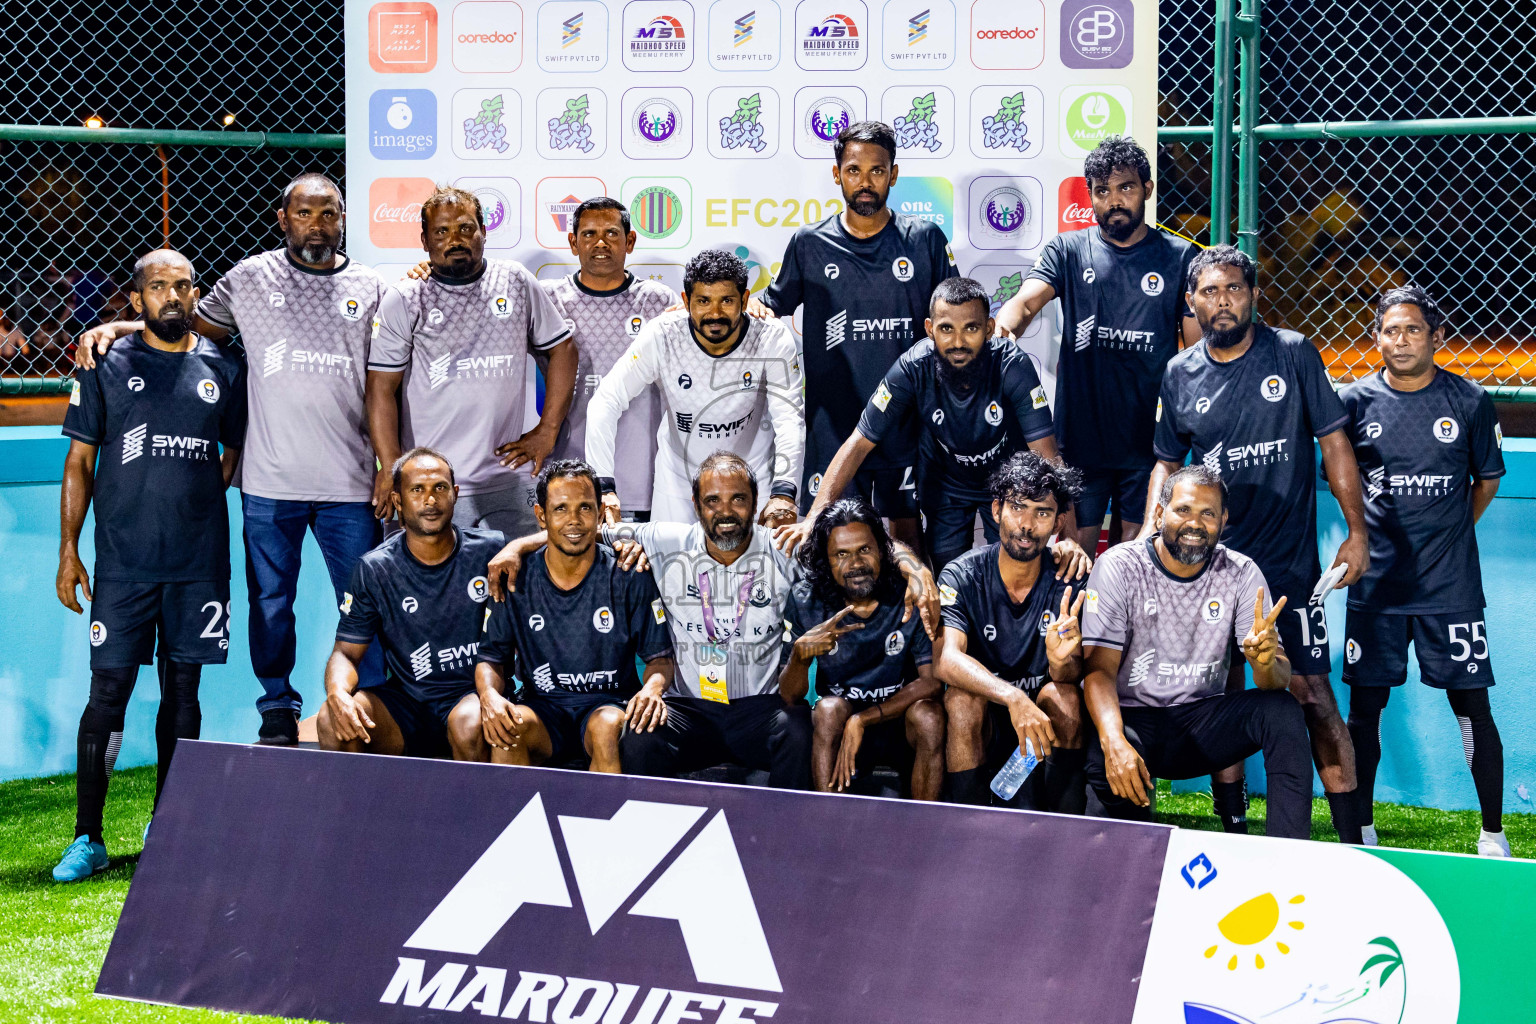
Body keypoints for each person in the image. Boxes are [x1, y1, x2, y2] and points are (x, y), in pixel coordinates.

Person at [77, 174, 387, 746]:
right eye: (304, 213)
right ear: (282, 218)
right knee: (271, 605)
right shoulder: (248, 278)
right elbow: (182, 324)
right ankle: (277, 706)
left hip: (350, 480)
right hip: (269, 484)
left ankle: (371, 709)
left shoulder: (372, 287)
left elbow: (390, 376)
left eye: (328, 214)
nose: (316, 224)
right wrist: (122, 326)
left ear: (343, 219)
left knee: (362, 600)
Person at [486, 452, 940, 789]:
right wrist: (517, 547)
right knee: (638, 734)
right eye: (713, 500)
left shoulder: (783, 547)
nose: (726, 512)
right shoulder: (665, 540)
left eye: (738, 499)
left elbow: (858, 544)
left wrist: (914, 568)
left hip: (760, 706)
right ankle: (655, 844)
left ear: (755, 501)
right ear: (695, 503)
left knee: (798, 729)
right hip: (690, 708)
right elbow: (580, 531)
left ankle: (787, 843)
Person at [1146, 244, 1367, 844]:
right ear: (1191, 301)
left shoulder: (1292, 352)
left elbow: (1334, 443)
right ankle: (1235, 830)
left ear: (1253, 295)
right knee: (1222, 694)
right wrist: (1147, 540)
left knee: (1313, 694)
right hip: (1211, 571)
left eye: (1234, 289)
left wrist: (1357, 530)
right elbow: (1166, 466)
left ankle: (1354, 840)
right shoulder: (1179, 373)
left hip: (1288, 570)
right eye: (1210, 292)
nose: (1223, 301)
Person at [52, 250, 246, 882]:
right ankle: (88, 835)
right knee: (106, 694)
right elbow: (80, 461)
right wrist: (68, 550)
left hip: (197, 566)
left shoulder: (223, 365)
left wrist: (188, 504)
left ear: (195, 294)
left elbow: (234, 452)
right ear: (135, 301)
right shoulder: (106, 363)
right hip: (124, 566)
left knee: (182, 692)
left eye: (183, 285)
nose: (172, 295)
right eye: (157, 287)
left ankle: (169, 822)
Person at [1340, 287, 1509, 856]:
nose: (1402, 340)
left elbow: (1485, 480)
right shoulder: (1355, 401)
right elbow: (1341, 478)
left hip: (1450, 586)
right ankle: (1362, 828)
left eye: (1413, 330)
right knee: (1366, 710)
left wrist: (1452, 529)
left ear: (1436, 337)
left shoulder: (1469, 400)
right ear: (1377, 338)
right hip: (1377, 586)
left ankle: (1492, 834)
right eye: (1391, 330)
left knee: (1472, 708)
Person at [780, 276, 1084, 572]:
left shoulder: (1012, 365)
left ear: (990, 329)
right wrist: (815, 514)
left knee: (1013, 570)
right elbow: (858, 442)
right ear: (929, 329)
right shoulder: (912, 366)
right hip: (946, 486)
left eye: (972, 328)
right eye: (946, 329)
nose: (958, 342)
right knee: (949, 576)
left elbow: (1047, 457)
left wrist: (1070, 537)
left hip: (1005, 487)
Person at [1082, 466, 1315, 840]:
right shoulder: (1120, 567)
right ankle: (1124, 857)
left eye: (1208, 513)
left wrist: (1266, 661)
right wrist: (1114, 743)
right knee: (1101, 756)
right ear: (1159, 514)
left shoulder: (1241, 572)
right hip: (1134, 722)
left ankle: (1288, 857)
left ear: (1223, 521)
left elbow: (1277, 681)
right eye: (1184, 510)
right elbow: (1098, 672)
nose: (1195, 523)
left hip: (1202, 724)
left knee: (1283, 712)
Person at [755, 120, 958, 547]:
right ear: (837, 174)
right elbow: (769, 309)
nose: (865, 184)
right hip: (834, 425)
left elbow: (956, 321)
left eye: (877, 172)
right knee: (830, 539)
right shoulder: (810, 243)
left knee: (906, 535)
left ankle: (910, 615)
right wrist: (738, 303)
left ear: (894, 175)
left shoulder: (924, 240)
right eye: (853, 171)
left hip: (907, 421)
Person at [994, 136, 1200, 552]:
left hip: (1150, 442)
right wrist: (1003, 329)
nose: (1114, 200)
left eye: (1125, 187)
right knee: (1075, 551)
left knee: (1136, 554)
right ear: (1090, 196)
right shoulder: (1068, 250)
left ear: (1147, 189)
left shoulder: (1180, 258)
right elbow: (1025, 301)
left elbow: (1196, 356)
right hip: (1081, 439)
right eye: (1102, 191)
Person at [367, 185, 576, 539]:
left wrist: (548, 430)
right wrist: (391, 467)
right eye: (442, 232)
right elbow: (380, 391)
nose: (455, 239)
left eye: (465, 228)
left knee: (518, 587)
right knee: (430, 590)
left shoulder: (514, 281)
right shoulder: (404, 298)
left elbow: (564, 349)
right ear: (425, 240)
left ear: (484, 230)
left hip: (507, 478)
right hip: (431, 486)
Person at [474, 460, 674, 772]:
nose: (574, 520)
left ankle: (601, 820)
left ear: (599, 513)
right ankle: (515, 819)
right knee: (508, 728)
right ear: (541, 516)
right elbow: (490, 658)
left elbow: (660, 659)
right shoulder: (514, 577)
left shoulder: (629, 572)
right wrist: (488, 697)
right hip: (542, 709)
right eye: (561, 509)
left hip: (609, 704)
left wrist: (652, 689)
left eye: (584, 508)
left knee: (608, 728)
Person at [584, 249, 804, 526]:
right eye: (703, 301)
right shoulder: (663, 335)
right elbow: (605, 401)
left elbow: (789, 419)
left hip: (752, 477)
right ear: (686, 301)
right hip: (679, 481)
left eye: (727, 301)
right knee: (673, 568)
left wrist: (784, 492)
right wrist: (603, 487)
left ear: (745, 300)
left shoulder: (772, 337)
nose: (715, 313)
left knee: (756, 569)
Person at [318, 448, 501, 762]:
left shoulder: (492, 550)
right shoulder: (375, 569)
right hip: (408, 706)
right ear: (398, 500)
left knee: (469, 724)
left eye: (440, 488)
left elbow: (558, 546)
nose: (430, 500)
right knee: (332, 721)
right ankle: (366, 811)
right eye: (417, 490)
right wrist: (337, 694)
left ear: (455, 495)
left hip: (473, 697)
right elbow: (345, 653)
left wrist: (524, 544)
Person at [935, 452, 1089, 810]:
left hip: (1043, 723)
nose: (1026, 524)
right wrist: (1013, 698)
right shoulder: (962, 574)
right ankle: (968, 825)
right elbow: (947, 659)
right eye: (1017, 507)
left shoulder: (1070, 580)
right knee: (960, 701)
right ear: (996, 510)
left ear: (1058, 522)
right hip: (988, 717)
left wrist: (1059, 661)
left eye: (1042, 512)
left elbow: (1072, 674)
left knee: (1063, 694)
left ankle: (1061, 828)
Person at [780, 499, 943, 799]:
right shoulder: (807, 600)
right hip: (840, 727)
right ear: (826, 561)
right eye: (841, 554)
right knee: (827, 709)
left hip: (898, 720)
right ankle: (828, 824)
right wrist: (801, 657)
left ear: (882, 550)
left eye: (864, 550)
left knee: (930, 718)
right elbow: (790, 696)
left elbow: (931, 681)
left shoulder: (908, 594)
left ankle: (927, 828)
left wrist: (864, 719)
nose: (855, 564)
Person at [541, 197, 676, 521]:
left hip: (641, 479)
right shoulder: (548, 299)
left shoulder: (658, 301)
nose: (600, 242)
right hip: (568, 478)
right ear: (573, 242)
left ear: (630, 241)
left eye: (612, 233)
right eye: (588, 234)